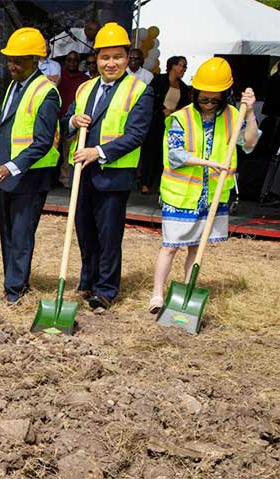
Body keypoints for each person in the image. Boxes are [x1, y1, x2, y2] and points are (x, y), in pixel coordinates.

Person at [149, 59, 259, 313]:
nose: (208, 104)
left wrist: (250, 113)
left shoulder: (234, 115)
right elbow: (176, 155)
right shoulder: (181, 117)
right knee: (170, 246)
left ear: (224, 96)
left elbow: (250, 143)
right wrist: (210, 163)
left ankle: (187, 292)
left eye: (214, 100)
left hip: (212, 195)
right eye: (203, 99)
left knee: (196, 247)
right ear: (195, 94)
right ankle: (157, 294)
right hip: (181, 194)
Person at [62, 22, 153, 311]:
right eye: (104, 57)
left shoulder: (140, 90)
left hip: (113, 175)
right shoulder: (85, 88)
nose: (110, 63)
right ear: (96, 59)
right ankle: (87, 281)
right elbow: (66, 121)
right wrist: (73, 122)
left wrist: (98, 152)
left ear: (127, 58)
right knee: (85, 230)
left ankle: (105, 289)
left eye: (117, 57)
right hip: (82, 173)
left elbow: (136, 135)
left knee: (109, 235)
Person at [0, 27, 60, 304]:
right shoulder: (14, 85)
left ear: (35, 60)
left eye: (18, 61)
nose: (12, 66)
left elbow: (42, 142)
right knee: (7, 232)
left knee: (20, 233)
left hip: (29, 175)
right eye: (9, 60)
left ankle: (15, 290)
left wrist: (12, 167)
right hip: (8, 170)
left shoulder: (47, 92)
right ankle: (12, 280)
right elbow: (9, 120)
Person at [140, 56, 191, 194]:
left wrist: (173, 112)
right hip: (155, 121)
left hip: (171, 124)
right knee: (150, 152)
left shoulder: (184, 88)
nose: (183, 69)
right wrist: (162, 110)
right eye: (181, 65)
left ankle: (159, 184)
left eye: (185, 67)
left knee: (164, 155)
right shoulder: (158, 80)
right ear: (172, 66)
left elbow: (185, 107)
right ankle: (145, 183)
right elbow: (148, 97)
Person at [57, 51, 90, 187]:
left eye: (75, 60)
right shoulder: (60, 77)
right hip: (58, 119)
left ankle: (67, 181)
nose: (72, 63)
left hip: (74, 121)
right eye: (69, 60)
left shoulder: (84, 80)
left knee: (68, 152)